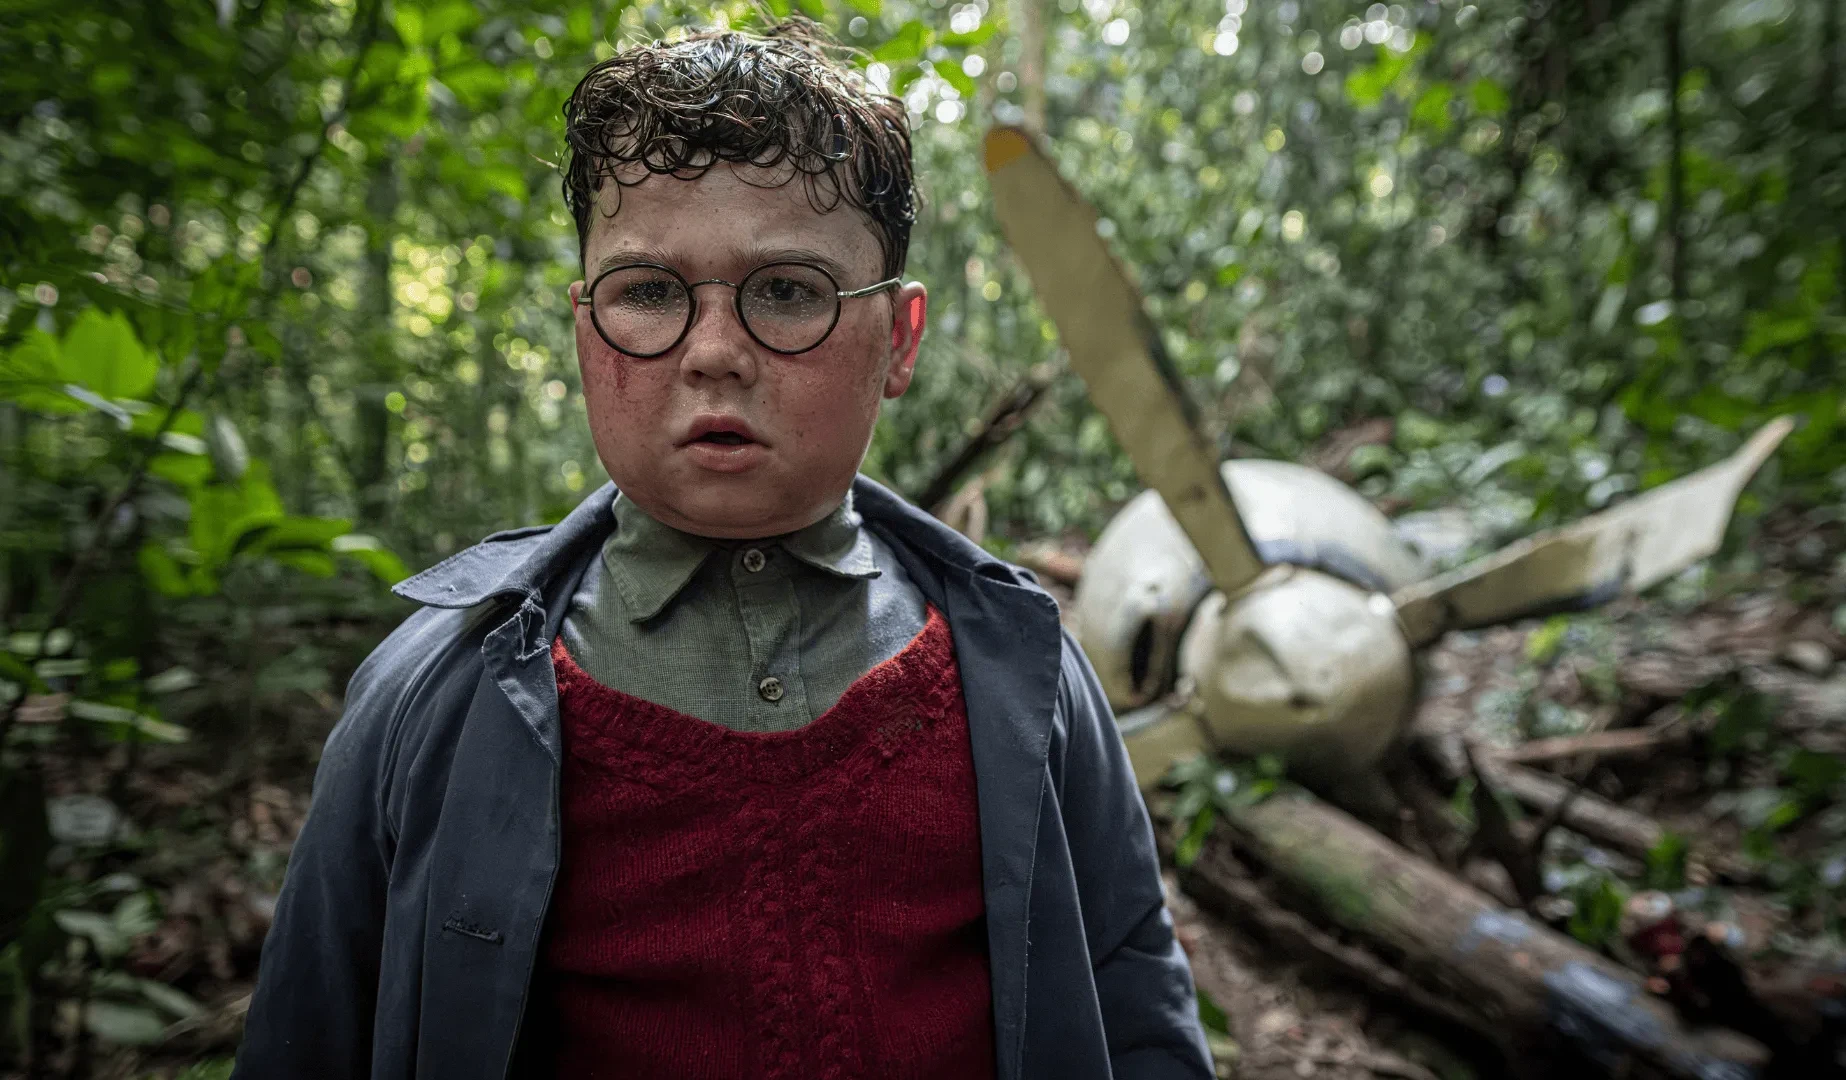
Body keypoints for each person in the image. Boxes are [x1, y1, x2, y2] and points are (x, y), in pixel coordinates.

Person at [235, 19, 1211, 1080]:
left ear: (901, 339)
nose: (711, 353)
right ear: (583, 330)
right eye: (649, 292)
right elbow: (310, 1033)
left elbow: (1134, 995)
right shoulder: (437, 697)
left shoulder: (1019, 669)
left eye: (787, 290)